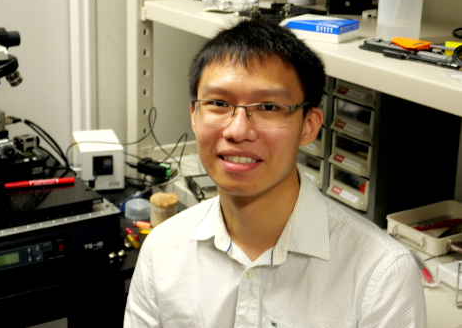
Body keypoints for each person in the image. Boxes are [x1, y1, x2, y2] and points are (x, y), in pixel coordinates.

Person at [124, 20, 425, 327]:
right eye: (218, 103)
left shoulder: (383, 275)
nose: (238, 130)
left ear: (309, 125)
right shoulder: (161, 252)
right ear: (195, 116)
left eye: (268, 106)